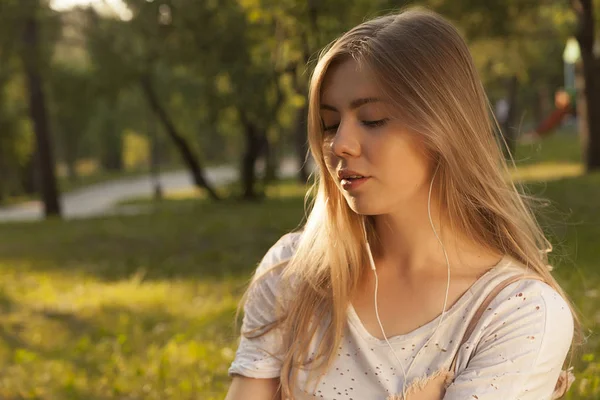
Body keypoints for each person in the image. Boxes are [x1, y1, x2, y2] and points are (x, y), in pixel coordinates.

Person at [225, 8, 580, 400]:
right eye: (329, 123)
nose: (340, 143)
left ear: (443, 128)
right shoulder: (291, 275)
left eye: (372, 119)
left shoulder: (518, 313)